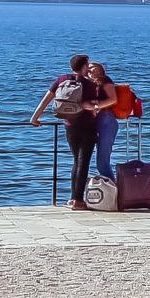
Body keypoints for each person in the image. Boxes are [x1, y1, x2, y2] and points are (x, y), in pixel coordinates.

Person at [30, 53, 101, 210]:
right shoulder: (88, 84)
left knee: (76, 161)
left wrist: (35, 117)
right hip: (87, 127)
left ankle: (72, 198)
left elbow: (46, 99)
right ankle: (78, 201)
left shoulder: (62, 79)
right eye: (87, 64)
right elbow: (91, 106)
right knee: (83, 163)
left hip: (69, 126)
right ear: (84, 67)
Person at [87, 61, 120, 184]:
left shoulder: (105, 80)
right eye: (88, 68)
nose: (90, 70)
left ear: (100, 69)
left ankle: (114, 191)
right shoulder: (87, 82)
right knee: (97, 161)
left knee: (102, 162)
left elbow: (113, 99)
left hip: (106, 119)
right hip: (94, 121)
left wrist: (97, 106)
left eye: (93, 67)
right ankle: (111, 190)